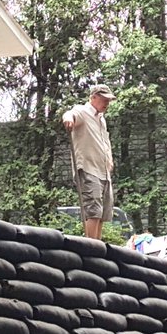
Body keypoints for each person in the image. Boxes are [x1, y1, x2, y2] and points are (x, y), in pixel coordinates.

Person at [61, 84, 115, 239]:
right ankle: (91, 249)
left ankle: (97, 246)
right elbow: (69, 114)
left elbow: (105, 141)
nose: (107, 103)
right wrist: (68, 120)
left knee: (102, 213)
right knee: (93, 210)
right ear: (93, 97)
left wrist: (109, 159)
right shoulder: (82, 111)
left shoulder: (102, 119)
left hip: (103, 172)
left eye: (108, 100)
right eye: (104, 99)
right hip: (88, 168)